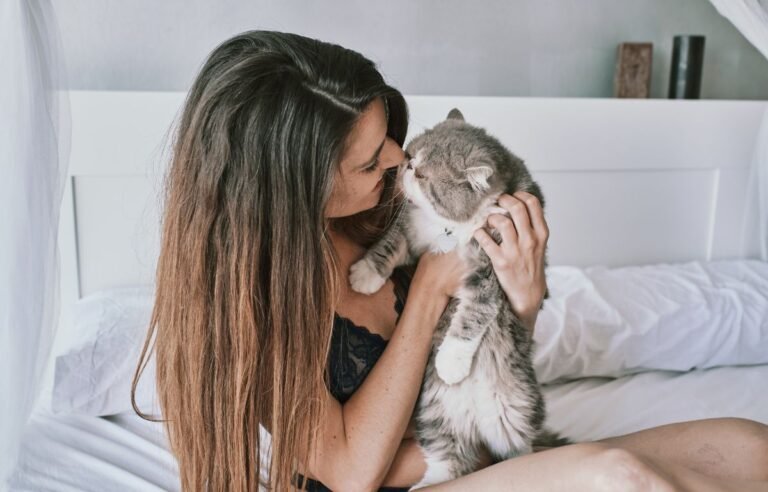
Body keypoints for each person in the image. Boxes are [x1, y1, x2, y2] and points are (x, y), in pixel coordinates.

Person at [133, 30, 768, 491]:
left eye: (388, 137)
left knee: (750, 448)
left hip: (478, 450)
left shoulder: (383, 210)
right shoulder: (247, 304)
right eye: (366, 161)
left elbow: (487, 365)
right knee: (619, 477)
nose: (394, 162)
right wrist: (432, 289)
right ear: (292, 186)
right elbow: (354, 472)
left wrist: (523, 295)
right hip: (408, 481)